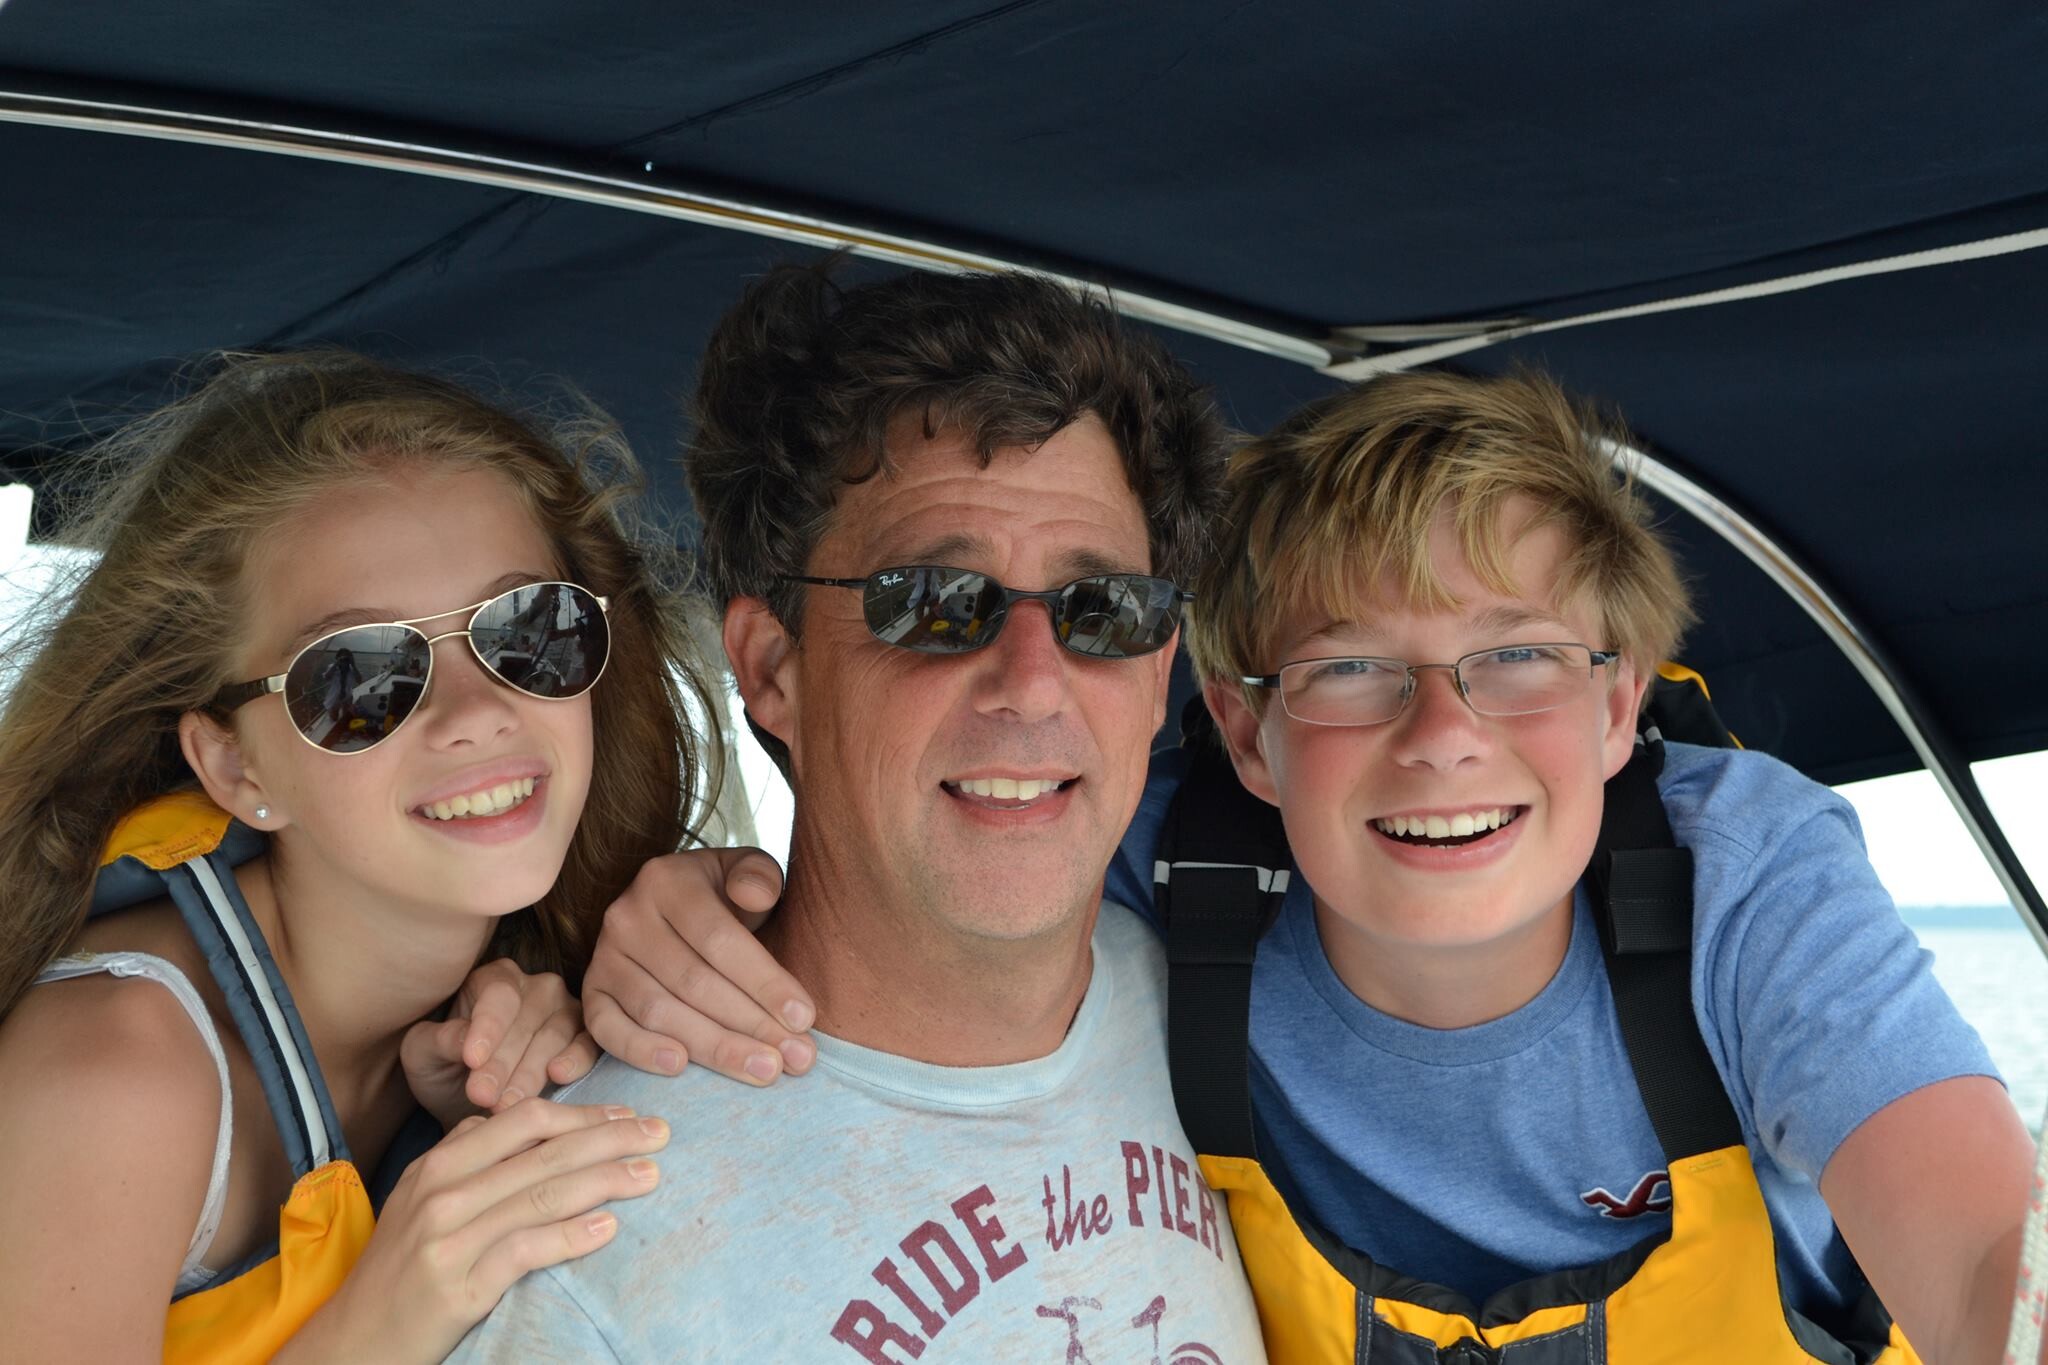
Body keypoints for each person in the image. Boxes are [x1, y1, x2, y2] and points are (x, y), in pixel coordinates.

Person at [595, 369, 2039, 1364]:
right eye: (1350, 671)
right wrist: (684, 904)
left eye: (1517, 658)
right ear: (1245, 732)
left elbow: (1986, 1257)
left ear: (1617, 708)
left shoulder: (1741, 880)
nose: (1443, 737)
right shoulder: (1164, 867)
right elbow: (909, 892)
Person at [452, 265, 1268, 1363]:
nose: (1033, 683)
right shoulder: (581, 1244)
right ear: (770, 667)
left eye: (1102, 609)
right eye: (935, 603)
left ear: (1161, 663)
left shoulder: (1242, 1015)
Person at [0, 351, 718, 1362]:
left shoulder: (493, 1003)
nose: (474, 712)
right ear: (233, 765)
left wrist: (463, 1108)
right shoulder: (117, 1076)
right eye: (360, 676)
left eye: (528, 628)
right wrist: (386, 1314)